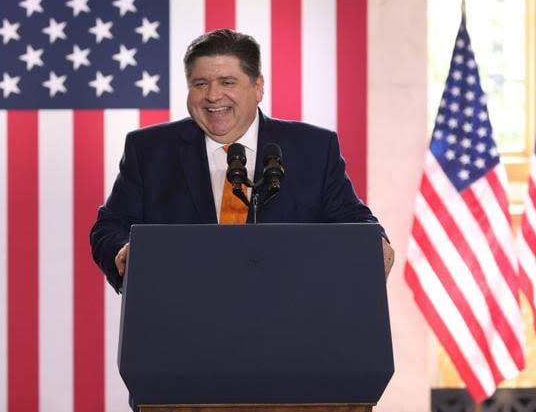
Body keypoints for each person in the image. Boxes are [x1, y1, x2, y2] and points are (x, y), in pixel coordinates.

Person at [89, 28, 392, 291]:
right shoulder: (149, 150)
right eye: (200, 84)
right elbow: (109, 228)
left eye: (227, 82)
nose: (212, 95)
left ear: (258, 87)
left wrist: (376, 243)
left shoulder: (313, 148)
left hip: (289, 328)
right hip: (181, 328)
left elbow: (355, 221)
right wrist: (122, 251)